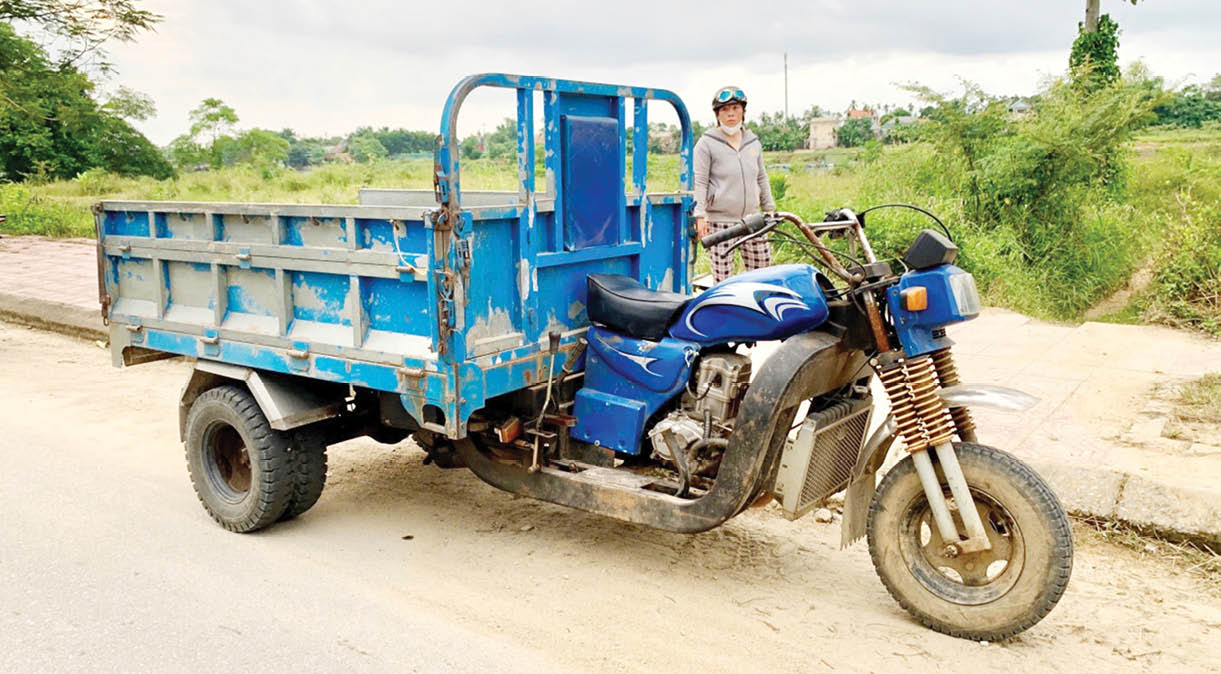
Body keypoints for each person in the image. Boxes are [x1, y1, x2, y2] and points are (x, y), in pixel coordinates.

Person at [693, 85, 776, 283]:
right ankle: (725, 312)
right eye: (725, 110)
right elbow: (700, 181)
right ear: (717, 114)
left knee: (762, 275)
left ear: (743, 111)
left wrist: (769, 208)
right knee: (723, 280)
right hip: (721, 221)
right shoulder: (706, 143)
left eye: (735, 108)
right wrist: (700, 215)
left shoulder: (752, 142)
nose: (731, 114)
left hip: (753, 219)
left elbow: (761, 177)